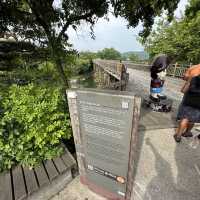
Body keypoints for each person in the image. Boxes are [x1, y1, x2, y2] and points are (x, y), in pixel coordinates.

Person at [174, 64, 200, 143]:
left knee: (185, 117)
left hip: (189, 99)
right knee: (193, 118)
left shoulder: (193, 71)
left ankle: (178, 135)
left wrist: (189, 81)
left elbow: (183, 90)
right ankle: (187, 132)